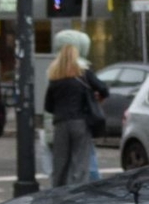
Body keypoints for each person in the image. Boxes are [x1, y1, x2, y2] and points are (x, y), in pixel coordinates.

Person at [43, 44, 106, 186]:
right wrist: (96, 97)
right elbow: (104, 89)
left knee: (60, 162)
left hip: (60, 123)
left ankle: (58, 193)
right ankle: (77, 193)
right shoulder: (83, 74)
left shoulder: (55, 78)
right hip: (80, 122)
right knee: (80, 162)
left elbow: (48, 106)